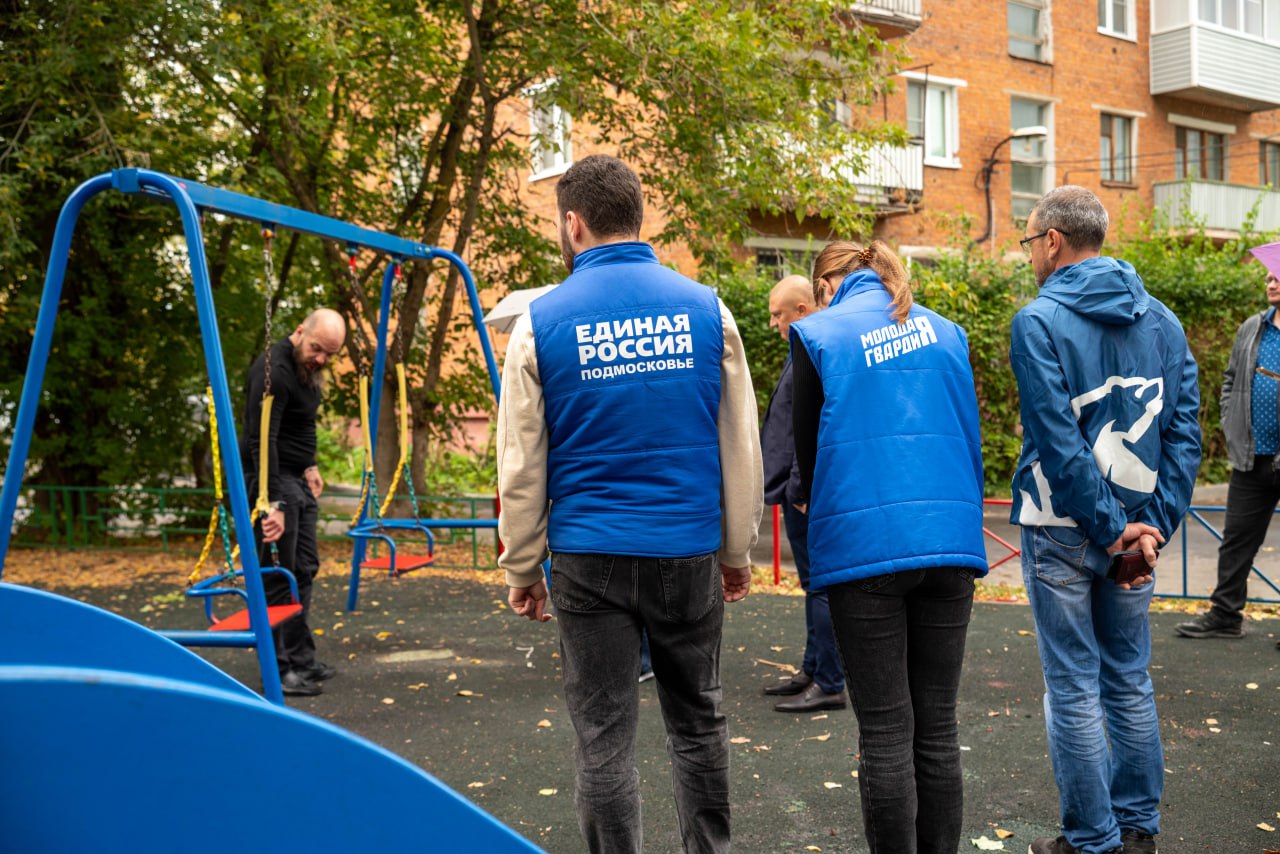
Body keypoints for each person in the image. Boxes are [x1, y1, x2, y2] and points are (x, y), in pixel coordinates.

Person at [496, 154, 763, 853]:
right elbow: (738, 443)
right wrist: (736, 549)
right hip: (686, 546)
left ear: (573, 223)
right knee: (698, 721)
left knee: (603, 734)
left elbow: (522, 461)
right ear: (637, 216)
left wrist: (522, 564)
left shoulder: (540, 321)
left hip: (589, 554)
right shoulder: (709, 309)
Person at [1009, 186, 1201, 854]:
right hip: (1137, 531)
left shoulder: (1037, 322)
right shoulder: (1166, 323)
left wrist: (1112, 526)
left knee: (1074, 686)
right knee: (1126, 678)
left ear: (1054, 240)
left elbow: (1057, 443)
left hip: (1065, 530)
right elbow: (1183, 435)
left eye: (1029, 240)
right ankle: (1137, 831)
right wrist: (1153, 526)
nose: (1028, 252)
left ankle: (1093, 840)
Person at [790, 239, 988, 853]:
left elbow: (807, 455)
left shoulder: (820, 334)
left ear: (827, 285)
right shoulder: (947, 332)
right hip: (949, 543)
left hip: (865, 548)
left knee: (884, 732)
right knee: (937, 727)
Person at [239, 307, 346, 698]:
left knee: (304, 568)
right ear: (300, 331)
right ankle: (279, 669)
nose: (321, 359)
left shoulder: (305, 371)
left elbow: (301, 423)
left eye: (329, 355)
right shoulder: (274, 371)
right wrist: (271, 503)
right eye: (317, 349)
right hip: (272, 481)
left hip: (295, 479)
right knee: (278, 575)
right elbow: (260, 439)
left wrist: (311, 464)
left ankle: (302, 658)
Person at [1176, 249, 1280, 643]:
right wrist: (1230, 421)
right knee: (1236, 540)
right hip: (1252, 456)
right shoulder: (1252, 328)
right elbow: (1230, 379)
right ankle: (1225, 615)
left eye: (1276, 276)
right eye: (1268, 277)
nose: (1270, 282)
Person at [759, 274, 848, 713]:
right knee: (813, 585)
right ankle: (814, 670)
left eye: (779, 314)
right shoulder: (804, 348)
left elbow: (812, 426)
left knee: (820, 586)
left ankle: (829, 681)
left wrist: (801, 487)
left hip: (806, 494)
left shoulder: (814, 348)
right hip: (798, 492)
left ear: (803, 310)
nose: (774, 323)